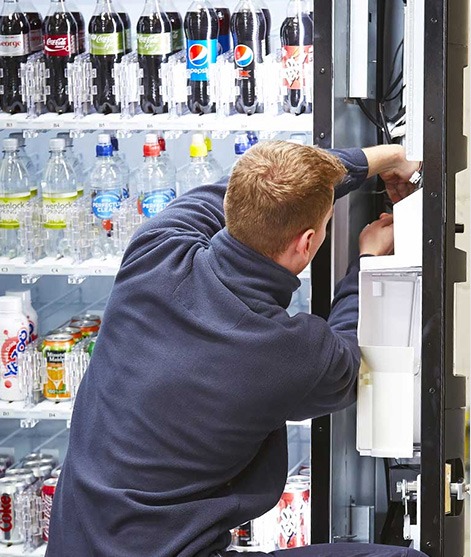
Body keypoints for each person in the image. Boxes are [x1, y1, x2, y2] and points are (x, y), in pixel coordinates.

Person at [46, 141, 426, 557]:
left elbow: (235, 189)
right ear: (306, 243)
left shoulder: (156, 250)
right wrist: (368, 260)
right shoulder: (288, 351)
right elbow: (354, 359)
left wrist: (387, 157)